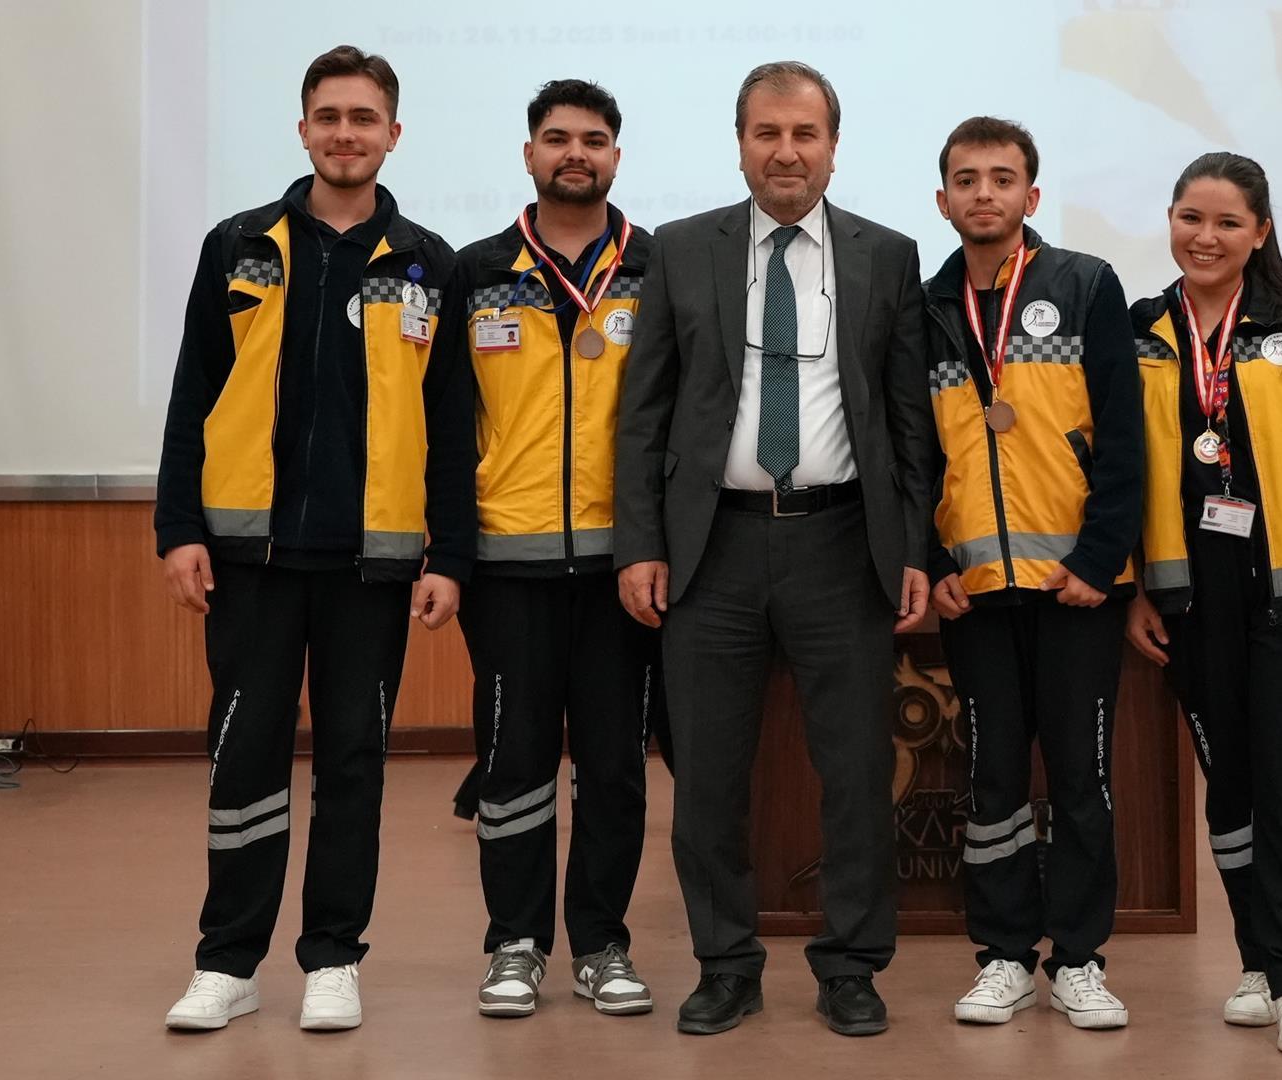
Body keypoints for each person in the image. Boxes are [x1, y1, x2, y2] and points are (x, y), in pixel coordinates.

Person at [153, 45, 475, 1033]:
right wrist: (178, 529)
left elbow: (452, 426)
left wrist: (450, 557)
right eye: (328, 116)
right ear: (302, 130)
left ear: (393, 134)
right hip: (248, 563)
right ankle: (228, 963)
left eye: (363, 117)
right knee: (243, 761)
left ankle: (334, 957)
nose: (345, 133)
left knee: (352, 768)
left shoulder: (428, 263)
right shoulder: (237, 245)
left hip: (371, 568)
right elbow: (193, 393)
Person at [614, 60, 934, 1037]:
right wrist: (640, 543)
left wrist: (913, 548)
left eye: (804, 134)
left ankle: (852, 965)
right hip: (712, 549)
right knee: (708, 777)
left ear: (833, 146)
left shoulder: (888, 255)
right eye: (767, 133)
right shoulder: (682, 249)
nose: (786, 152)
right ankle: (725, 963)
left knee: (857, 772)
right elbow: (644, 413)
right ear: (741, 143)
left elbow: (909, 423)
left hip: (842, 544)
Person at [1124, 151, 1282, 1057]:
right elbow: (1124, 470)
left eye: (1228, 222)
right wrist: (1138, 589)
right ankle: (1259, 963)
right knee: (1230, 789)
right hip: (1192, 600)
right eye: (1190, 218)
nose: (1206, 237)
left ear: (1261, 231)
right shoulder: (1141, 328)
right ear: (1170, 220)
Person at [920, 119, 1143, 1030]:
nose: (985, 193)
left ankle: (1080, 960)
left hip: (1076, 589)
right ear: (943, 200)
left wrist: (1098, 560)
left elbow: (1125, 437)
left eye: (1003, 178)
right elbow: (912, 452)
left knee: (1082, 778)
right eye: (967, 179)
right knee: (993, 779)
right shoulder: (926, 306)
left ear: (1031, 196)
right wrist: (930, 560)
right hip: (974, 593)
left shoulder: (1085, 285)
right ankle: (1005, 956)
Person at [451, 79, 660, 1020]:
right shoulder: (475, 271)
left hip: (626, 570)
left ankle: (603, 944)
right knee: (513, 763)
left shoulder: (659, 267)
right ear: (529, 153)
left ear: (616, 155)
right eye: (558, 137)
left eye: (594, 139)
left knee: (614, 767)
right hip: (508, 567)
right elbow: (446, 423)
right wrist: (451, 553)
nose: (576, 152)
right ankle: (515, 943)